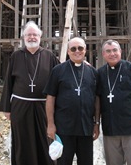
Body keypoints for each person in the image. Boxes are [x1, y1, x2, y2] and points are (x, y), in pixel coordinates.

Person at [0, 21, 60, 165]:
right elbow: (8, 82)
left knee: (45, 141)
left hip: (43, 107)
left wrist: (79, 64)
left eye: (34, 34)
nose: (31, 37)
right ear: (23, 37)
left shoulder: (49, 56)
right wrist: (6, 108)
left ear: (40, 36)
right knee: (22, 141)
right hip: (20, 107)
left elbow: (61, 76)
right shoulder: (16, 56)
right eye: (28, 35)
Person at [44, 37, 100, 165]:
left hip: (86, 128)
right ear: (68, 51)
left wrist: (97, 123)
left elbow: (97, 98)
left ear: (85, 50)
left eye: (80, 48)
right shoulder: (58, 71)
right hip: (64, 128)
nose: (77, 51)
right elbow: (50, 98)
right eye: (73, 49)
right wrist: (50, 124)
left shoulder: (92, 72)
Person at [97, 39, 131, 165]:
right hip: (110, 129)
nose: (112, 54)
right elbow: (97, 99)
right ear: (103, 54)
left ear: (120, 51)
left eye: (115, 50)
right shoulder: (100, 73)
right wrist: (96, 123)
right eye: (108, 51)